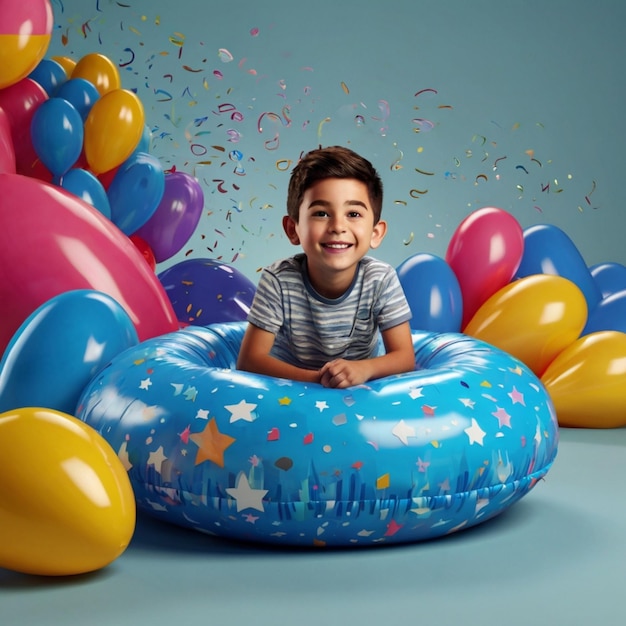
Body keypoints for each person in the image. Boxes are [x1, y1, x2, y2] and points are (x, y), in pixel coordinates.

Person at [236, 145, 415, 388]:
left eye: (353, 214)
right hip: (292, 390)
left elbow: (404, 357)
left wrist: (364, 369)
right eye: (321, 213)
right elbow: (250, 360)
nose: (337, 226)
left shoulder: (380, 279)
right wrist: (319, 380)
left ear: (375, 233)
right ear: (293, 229)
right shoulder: (278, 280)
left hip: (360, 390)